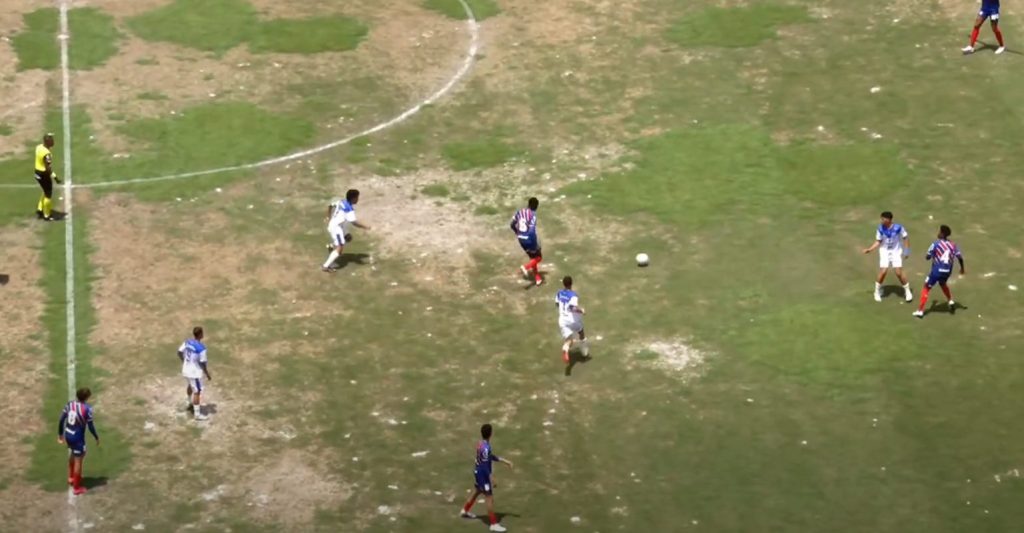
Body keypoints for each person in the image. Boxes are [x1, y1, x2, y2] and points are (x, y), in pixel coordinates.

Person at [460, 423, 514, 532]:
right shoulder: (486, 448)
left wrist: (504, 461)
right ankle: (493, 524)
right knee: (489, 498)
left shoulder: (481, 444)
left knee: (476, 492)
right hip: (482, 475)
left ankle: (464, 511)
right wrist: (491, 478)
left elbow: (490, 457)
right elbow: (485, 466)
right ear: (491, 434)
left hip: (477, 472)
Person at [913, 225, 965, 318]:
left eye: (939, 231)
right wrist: (962, 268)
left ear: (942, 234)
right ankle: (950, 301)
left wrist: (932, 255)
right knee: (942, 283)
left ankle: (920, 311)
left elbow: (927, 257)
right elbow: (960, 258)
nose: (938, 233)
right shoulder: (953, 245)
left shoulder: (936, 244)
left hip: (936, 271)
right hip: (947, 271)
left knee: (926, 287)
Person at [862, 211, 913, 303]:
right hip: (884, 252)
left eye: (883, 219)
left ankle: (907, 291)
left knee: (898, 272)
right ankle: (877, 292)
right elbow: (878, 241)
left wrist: (906, 250)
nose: (881, 221)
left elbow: (905, 237)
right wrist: (870, 249)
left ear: (889, 220)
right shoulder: (880, 228)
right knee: (883, 271)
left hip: (896, 251)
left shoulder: (898, 227)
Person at [57, 387, 100, 496]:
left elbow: (62, 419)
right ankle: (76, 487)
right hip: (78, 438)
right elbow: (90, 426)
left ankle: (71, 477)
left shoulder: (69, 405)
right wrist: (96, 436)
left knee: (73, 454)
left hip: (68, 434)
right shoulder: (87, 409)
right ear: (86, 397)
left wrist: (60, 434)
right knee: (78, 460)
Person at [322, 189, 370, 272]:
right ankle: (325, 266)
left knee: (348, 238)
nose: (358, 199)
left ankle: (332, 246)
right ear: (353, 198)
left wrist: (328, 217)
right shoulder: (349, 209)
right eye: (357, 197)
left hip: (339, 227)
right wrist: (365, 227)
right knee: (340, 249)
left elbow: (330, 205)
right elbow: (354, 223)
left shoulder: (341, 201)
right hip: (336, 228)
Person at [178, 326, 212, 420]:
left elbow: (179, 352)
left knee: (190, 385)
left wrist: (184, 361)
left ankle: (189, 401)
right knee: (197, 391)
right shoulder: (201, 348)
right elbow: (202, 362)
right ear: (200, 334)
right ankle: (197, 415)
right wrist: (207, 373)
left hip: (185, 370)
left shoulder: (187, 342)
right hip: (194, 373)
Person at [555, 276, 587, 366]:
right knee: (581, 332)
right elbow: (573, 308)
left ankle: (565, 348)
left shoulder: (559, 293)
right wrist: (582, 311)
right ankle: (584, 353)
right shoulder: (573, 295)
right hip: (572, 320)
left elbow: (557, 304)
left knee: (569, 341)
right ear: (571, 284)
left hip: (562, 320)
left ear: (563, 284)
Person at [510, 198, 542, 286]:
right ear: (536, 207)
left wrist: (517, 232)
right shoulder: (533, 215)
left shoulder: (519, 212)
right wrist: (534, 242)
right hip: (529, 239)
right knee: (538, 257)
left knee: (532, 257)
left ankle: (537, 277)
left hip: (520, 238)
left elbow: (512, 224)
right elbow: (531, 231)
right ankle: (525, 267)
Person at [34, 133, 62, 221]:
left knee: (45, 191)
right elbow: (48, 168)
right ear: (47, 142)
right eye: (51, 140)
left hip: (37, 172)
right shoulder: (47, 154)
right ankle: (47, 215)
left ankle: (40, 209)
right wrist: (55, 177)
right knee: (48, 194)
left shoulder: (39, 147)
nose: (53, 141)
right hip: (44, 174)